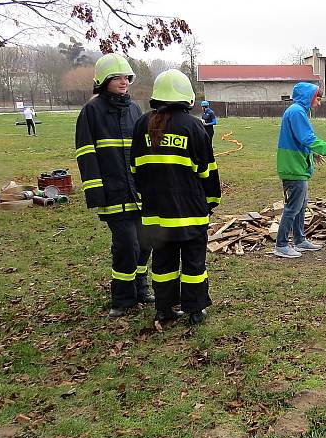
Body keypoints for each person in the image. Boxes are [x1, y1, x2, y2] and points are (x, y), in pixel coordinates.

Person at [130, 69, 220, 325]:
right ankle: (194, 310)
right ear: (186, 97)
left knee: (163, 263)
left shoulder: (141, 125)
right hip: (188, 213)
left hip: (155, 215)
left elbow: (135, 169)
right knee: (193, 264)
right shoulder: (193, 126)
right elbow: (207, 171)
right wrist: (211, 202)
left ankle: (164, 309)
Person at [75, 53, 152, 318]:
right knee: (126, 244)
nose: (123, 82)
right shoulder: (91, 111)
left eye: (126, 77)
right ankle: (122, 298)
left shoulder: (134, 109)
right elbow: (86, 154)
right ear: (103, 80)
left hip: (139, 190)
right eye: (117, 77)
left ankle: (141, 288)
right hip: (113, 192)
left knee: (145, 242)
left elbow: (144, 150)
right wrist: (96, 191)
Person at [274, 82, 326, 258]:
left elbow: (297, 140)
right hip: (293, 167)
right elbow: (308, 138)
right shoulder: (297, 112)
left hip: (297, 164)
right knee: (293, 207)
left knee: (300, 206)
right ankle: (281, 244)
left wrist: (312, 154)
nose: (319, 103)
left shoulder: (297, 111)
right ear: (309, 97)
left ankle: (300, 240)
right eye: (318, 98)